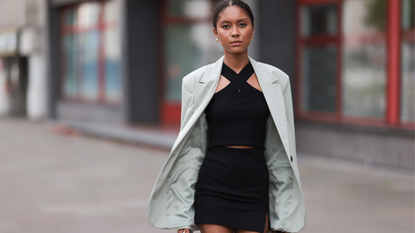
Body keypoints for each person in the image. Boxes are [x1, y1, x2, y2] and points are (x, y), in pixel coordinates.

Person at [147, 1, 306, 233]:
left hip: (255, 186)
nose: (234, 32)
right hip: (213, 185)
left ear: (252, 29)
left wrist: (282, 216)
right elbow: (191, 150)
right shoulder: (195, 82)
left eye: (242, 24)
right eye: (226, 26)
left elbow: (280, 152)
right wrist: (182, 217)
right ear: (216, 33)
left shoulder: (277, 80)